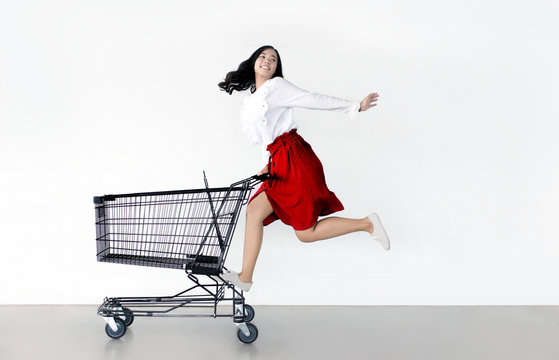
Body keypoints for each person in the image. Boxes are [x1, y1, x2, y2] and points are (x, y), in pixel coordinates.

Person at [218, 45, 390, 291]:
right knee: (255, 211)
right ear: (254, 61)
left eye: (273, 59)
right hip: (280, 159)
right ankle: (245, 277)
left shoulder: (276, 87)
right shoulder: (253, 98)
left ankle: (367, 223)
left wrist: (355, 106)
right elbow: (271, 135)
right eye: (263, 56)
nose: (267, 61)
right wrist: (269, 163)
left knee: (305, 233)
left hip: (296, 160)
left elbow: (313, 99)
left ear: (277, 67)